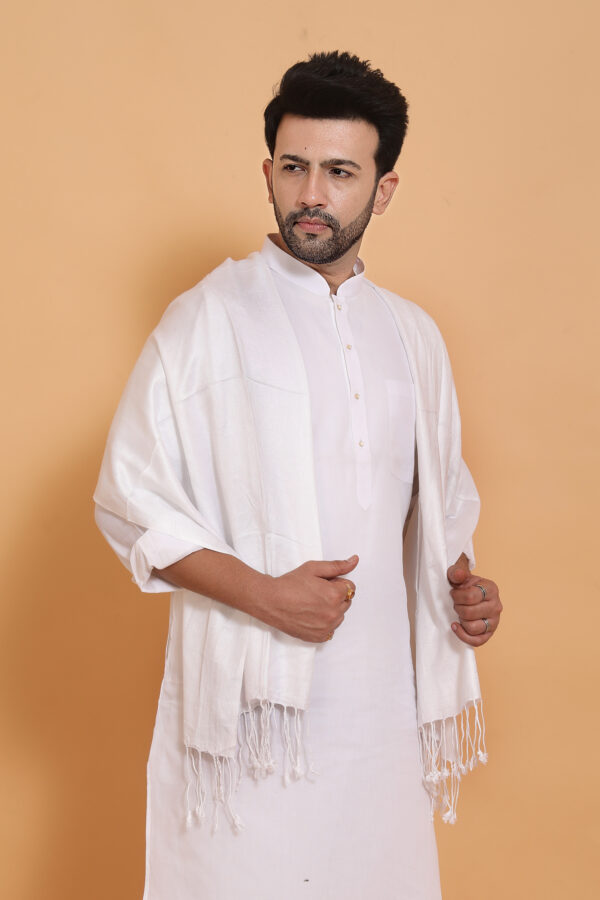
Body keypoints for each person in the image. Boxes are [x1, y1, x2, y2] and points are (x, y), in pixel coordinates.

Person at [94, 51, 502, 900]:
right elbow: (128, 502)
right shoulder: (208, 318)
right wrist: (263, 596)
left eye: (340, 172)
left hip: (381, 727)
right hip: (250, 723)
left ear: (383, 189)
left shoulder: (412, 336)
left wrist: (463, 589)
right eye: (294, 167)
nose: (312, 193)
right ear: (269, 173)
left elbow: (433, 511)